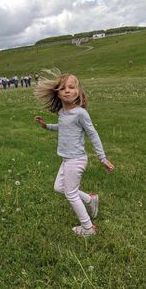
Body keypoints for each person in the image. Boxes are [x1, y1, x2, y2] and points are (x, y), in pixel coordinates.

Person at [34, 68, 114, 236]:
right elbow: (63, 127)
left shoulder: (80, 113)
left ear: (78, 92)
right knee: (58, 188)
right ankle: (90, 199)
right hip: (66, 159)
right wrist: (46, 126)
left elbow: (92, 133)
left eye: (71, 87)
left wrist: (102, 157)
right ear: (57, 93)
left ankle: (88, 228)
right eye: (63, 88)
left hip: (76, 160)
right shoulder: (63, 112)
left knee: (70, 193)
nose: (67, 91)